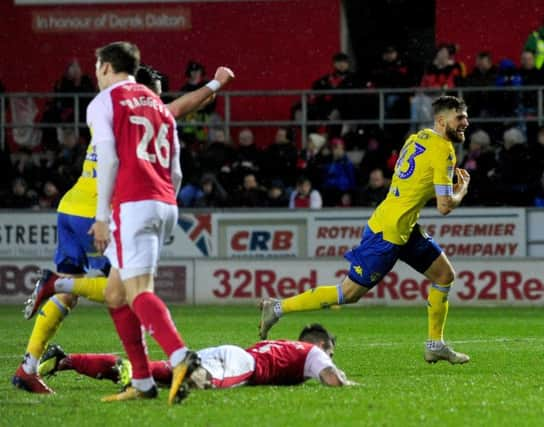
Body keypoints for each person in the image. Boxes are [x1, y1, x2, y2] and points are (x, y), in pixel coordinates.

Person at [12, 53, 234, 396]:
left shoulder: (107, 110)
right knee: (124, 293)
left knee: (92, 293)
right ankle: (57, 286)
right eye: (155, 94)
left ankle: (28, 367)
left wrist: (210, 89)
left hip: (71, 206)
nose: (158, 101)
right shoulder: (138, 113)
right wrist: (215, 83)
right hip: (98, 215)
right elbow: (178, 110)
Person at [259, 95, 472, 365]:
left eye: (465, 116)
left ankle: (435, 344)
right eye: (460, 117)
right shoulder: (444, 151)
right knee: (347, 294)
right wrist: (461, 188)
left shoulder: (418, 137)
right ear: (442, 121)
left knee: (444, 275)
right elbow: (444, 206)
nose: (466, 122)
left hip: (401, 224)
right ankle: (276, 308)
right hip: (388, 232)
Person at [38, 324, 354, 389]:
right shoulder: (314, 353)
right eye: (331, 351)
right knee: (196, 381)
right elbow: (334, 381)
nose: (331, 358)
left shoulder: (289, 346)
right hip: (243, 365)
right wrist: (352, 384)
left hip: (230, 351)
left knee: (163, 373)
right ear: (322, 343)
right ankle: (128, 371)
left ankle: (67, 360)